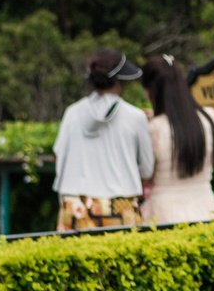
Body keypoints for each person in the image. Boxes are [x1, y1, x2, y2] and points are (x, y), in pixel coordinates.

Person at [52, 47, 154, 230]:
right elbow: (147, 169)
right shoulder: (135, 116)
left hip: (75, 204)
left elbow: (60, 158)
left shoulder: (72, 113)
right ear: (120, 81)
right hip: (121, 203)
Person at [140, 53, 214, 225]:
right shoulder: (211, 119)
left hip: (163, 213)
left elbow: (146, 174)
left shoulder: (154, 129)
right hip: (207, 208)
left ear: (151, 91)